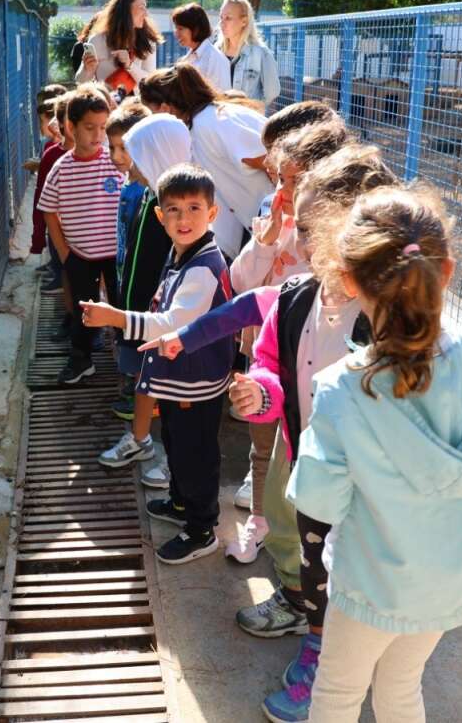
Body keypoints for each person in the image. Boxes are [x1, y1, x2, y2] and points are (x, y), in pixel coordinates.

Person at [258, 185, 462, 723]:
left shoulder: (342, 388)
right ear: (446, 271)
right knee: (403, 684)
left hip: (370, 585)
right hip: (450, 580)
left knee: (336, 694)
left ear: (350, 279)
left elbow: (318, 497)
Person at [141, 147, 398, 635]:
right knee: (288, 525)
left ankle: (327, 633)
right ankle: (300, 601)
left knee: (341, 547)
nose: (296, 241)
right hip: (298, 439)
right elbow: (252, 324)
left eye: (306, 230)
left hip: (360, 464)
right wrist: (259, 391)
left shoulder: (387, 316)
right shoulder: (302, 293)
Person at [80, 164, 234, 564]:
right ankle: (182, 504)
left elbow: (172, 324)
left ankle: (202, 529)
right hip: (180, 378)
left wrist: (115, 317)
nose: (184, 219)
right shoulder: (184, 253)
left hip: (195, 382)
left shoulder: (203, 267)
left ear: (212, 214)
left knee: (195, 454)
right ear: (159, 215)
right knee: (179, 446)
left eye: (195, 208)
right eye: (175, 210)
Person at [223, 118, 349, 561]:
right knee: (265, 449)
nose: (284, 190)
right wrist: (268, 240)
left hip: (309, 371)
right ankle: (260, 522)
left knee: (297, 455)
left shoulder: (334, 242)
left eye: (295, 181)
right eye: (280, 178)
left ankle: (299, 551)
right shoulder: (271, 217)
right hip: (266, 357)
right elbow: (240, 281)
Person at [97, 113, 189, 469]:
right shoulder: (151, 196)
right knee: (145, 381)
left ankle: (175, 460)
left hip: (161, 318)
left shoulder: (175, 209)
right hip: (139, 314)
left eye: (139, 155)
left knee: (172, 390)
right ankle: (140, 440)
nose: (131, 163)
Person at [138, 65, 274, 259]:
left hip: (276, 219)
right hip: (258, 221)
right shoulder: (200, 122)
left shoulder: (211, 121)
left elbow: (266, 158)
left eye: (152, 111)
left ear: (165, 108)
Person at [38, 86, 122, 385]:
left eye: (103, 127)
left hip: (116, 255)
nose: (97, 135)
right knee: (84, 310)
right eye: (90, 128)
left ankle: (126, 361)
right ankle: (81, 358)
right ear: (70, 127)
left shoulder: (114, 161)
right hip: (81, 256)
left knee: (120, 305)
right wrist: (64, 253)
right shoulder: (62, 167)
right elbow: (48, 209)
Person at [99, 101, 160, 429]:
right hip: (125, 270)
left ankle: (146, 399)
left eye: (125, 148)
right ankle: (136, 389)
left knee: (139, 339)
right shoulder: (130, 184)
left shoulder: (148, 191)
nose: (117, 156)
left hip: (141, 282)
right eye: (112, 148)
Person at [75, 0, 162, 93]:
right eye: (141, 7)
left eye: (145, 7)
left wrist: (130, 65)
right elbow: (80, 83)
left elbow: (150, 83)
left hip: (136, 107)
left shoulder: (148, 42)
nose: (146, 13)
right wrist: (87, 70)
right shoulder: (97, 40)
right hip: (107, 106)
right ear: (126, 11)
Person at [29, 85, 68, 287]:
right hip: (58, 212)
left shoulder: (54, 151)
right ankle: (57, 269)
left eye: (42, 121)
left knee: (57, 242)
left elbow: (43, 193)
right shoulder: (51, 148)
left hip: (57, 213)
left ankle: (60, 276)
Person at [218, 0, 281, 107]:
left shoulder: (262, 53)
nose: (222, 23)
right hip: (219, 121)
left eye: (228, 18)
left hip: (246, 122)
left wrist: (251, 109)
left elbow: (272, 92)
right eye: (221, 17)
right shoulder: (216, 52)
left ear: (244, 21)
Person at [171, 3, 230, 91]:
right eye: (176, 28)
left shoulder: (216, 59)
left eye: (180, 28)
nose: (176, 33)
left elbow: (222, 97)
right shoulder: (187, 58)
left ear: (196, 29)